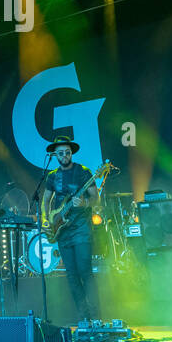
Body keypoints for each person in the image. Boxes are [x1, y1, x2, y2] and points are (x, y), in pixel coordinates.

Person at [39, 135, 100, 324]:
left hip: (81, 229)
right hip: (62, 231)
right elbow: (45, 200)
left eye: (67, 152)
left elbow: (96, 199)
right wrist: (46, 219)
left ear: (71, 152)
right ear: (55, 154)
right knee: (72, 276)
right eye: (60, 153)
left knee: (85, 272)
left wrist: (83, 203)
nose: (64, 155)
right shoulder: (52, 176)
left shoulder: (83, 172)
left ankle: (97, 318)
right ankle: (84, 317)